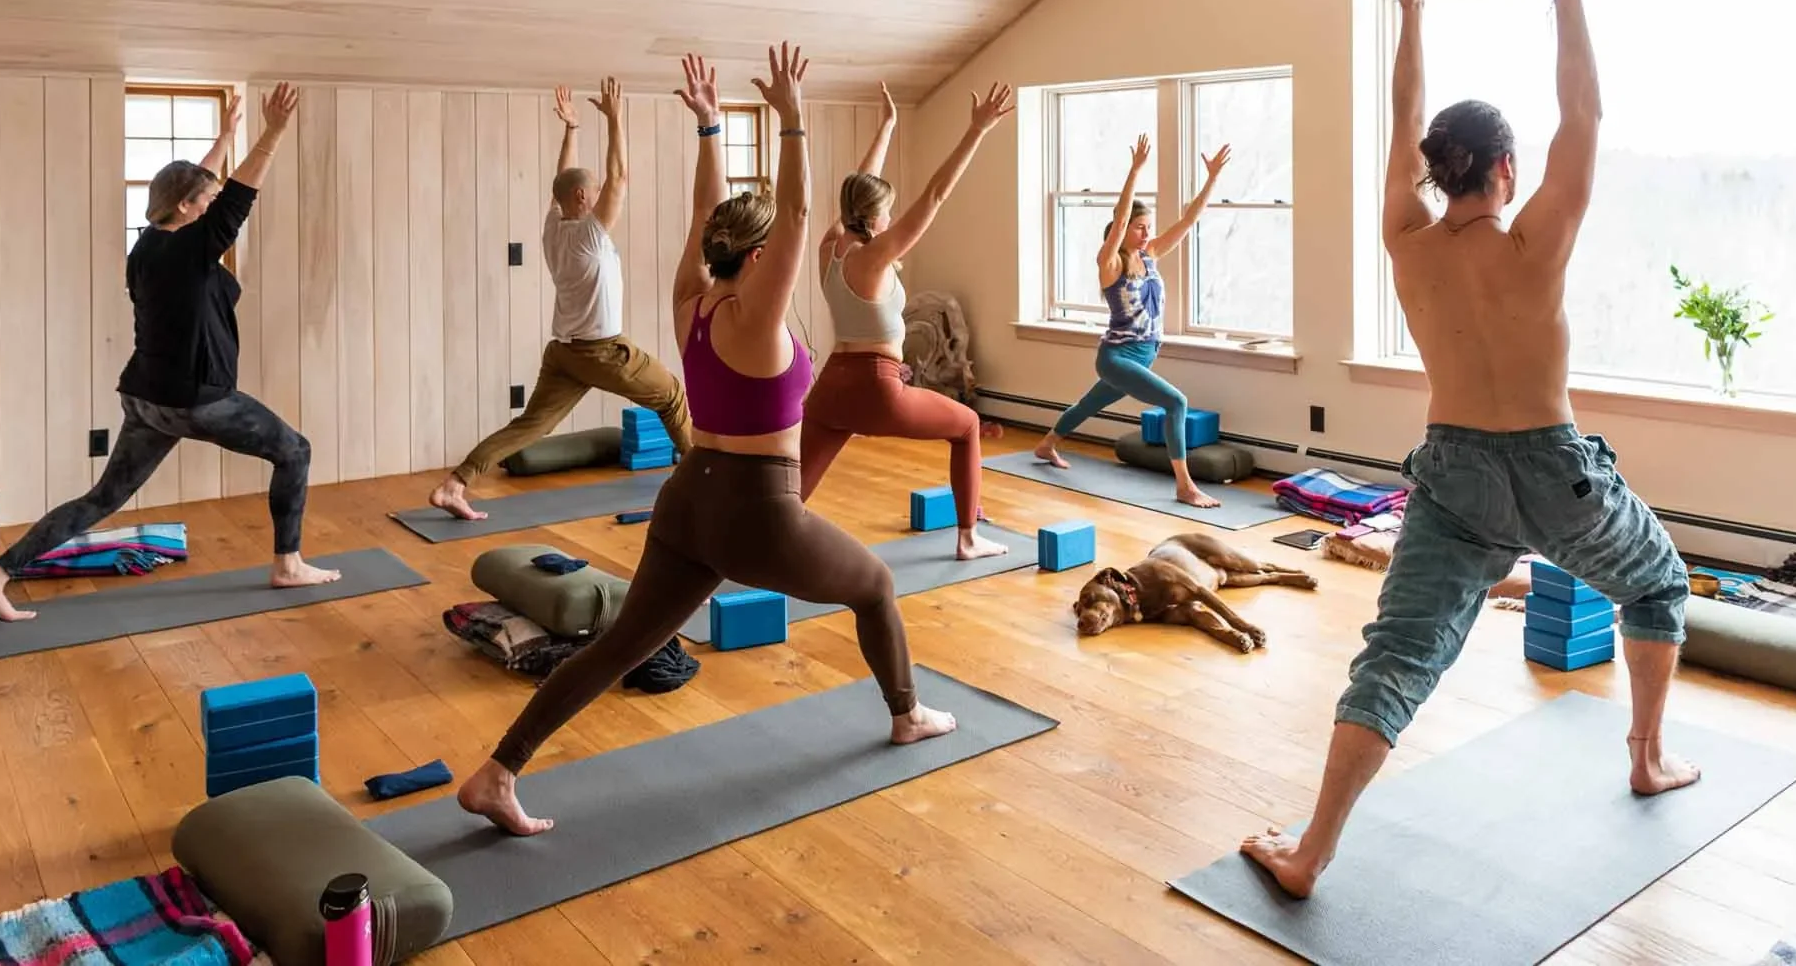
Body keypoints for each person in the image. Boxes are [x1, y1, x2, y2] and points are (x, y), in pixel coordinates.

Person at [1241, 0, 1696, 900]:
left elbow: (1399, 125)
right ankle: (1645, 754)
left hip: (1449, 471)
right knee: (1656, 585)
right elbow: (1583, 118)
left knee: (1399, 654)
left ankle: (1309, 851)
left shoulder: (1405, 242)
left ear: (1433, 173)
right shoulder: (1532, 244)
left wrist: (1409, 14)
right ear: (1504, 170)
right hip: (1553, 468)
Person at [457, 45, 958, 836]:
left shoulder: (691, 296)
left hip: (689, 497)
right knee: (876, 587)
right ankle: (906, 713)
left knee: (622, 644)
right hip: (758, 512)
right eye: (775, 254)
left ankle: (499, 771)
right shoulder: (757, 319)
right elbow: (793, 217)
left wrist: (711, 127)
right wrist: (790, 121)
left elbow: (706, 214)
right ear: (760, 259)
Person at [0, 84, 339, 622]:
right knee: (294, 451)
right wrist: (272, 134)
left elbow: (200, 189)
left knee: (103, 497)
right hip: (195, 398)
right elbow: (236, 198)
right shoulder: (191, 247)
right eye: (203, 205)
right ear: (187, 209)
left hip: (145, 398)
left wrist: (225, 137)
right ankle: (289, 563)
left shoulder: (149, 243)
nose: (211, 211)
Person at [427, 77, 692, 521]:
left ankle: (454, 484)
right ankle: (705, 483)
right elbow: (620, 177)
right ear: (583, 197)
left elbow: (560, 183)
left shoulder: (554, 226)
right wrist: (615, 120)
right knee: (671, 397)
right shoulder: (589, 233)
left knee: (531, 426)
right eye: (592, 190)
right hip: (603, 351)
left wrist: (571, 130)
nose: (601, 195)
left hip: (564, 354)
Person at [800, 81, 1015, 562]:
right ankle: (968, 538)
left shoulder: (830, 247)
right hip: (877, 389)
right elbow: (936, 194)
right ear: (876, 218)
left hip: (831, 387)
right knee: (967, 426)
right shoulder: (875, 256)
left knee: (788, 498)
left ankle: (735, 557)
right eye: (888, 211)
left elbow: (859, 185)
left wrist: (888, 128)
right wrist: (975, 131)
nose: (893, 217)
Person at [1034, 132, 1234, 507]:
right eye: (1140, 227)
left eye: (1148, 227)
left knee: (1089, 404)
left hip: (1142, 355)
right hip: (1118, 357)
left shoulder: (1152, 254)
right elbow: (1121, 213)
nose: (1146, 233)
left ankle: (1047, 444)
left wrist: (1211, 178)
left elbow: (1190, 219)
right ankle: (1185, 486)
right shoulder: (1110, 264)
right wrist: (1135, 171)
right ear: (1122, 231)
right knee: (1176, 402)